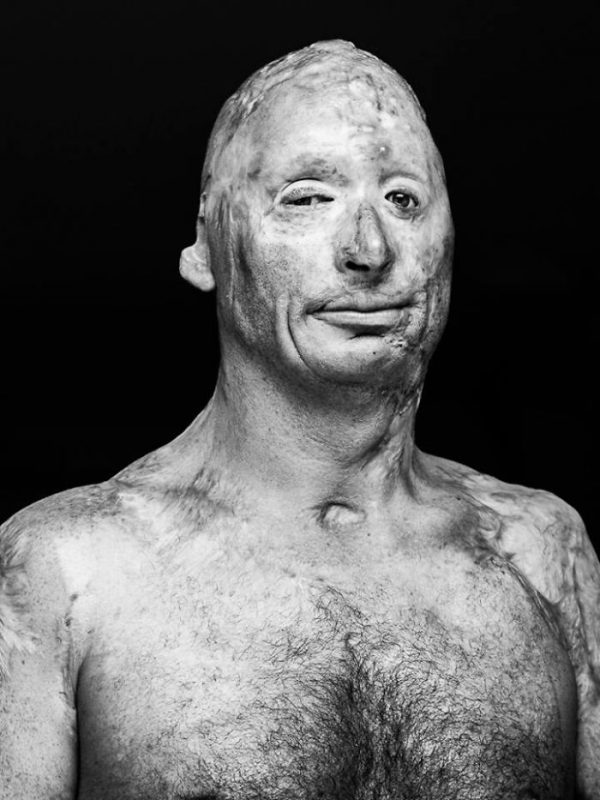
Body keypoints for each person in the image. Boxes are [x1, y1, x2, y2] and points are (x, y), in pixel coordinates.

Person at [0, 39, 598, 800]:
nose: (369, 249)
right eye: (309, 198)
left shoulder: (545, 554)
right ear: (207, 246)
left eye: (404, 199)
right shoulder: (66, 570)